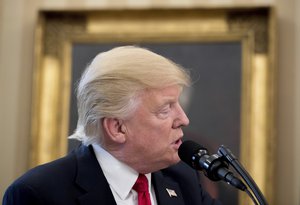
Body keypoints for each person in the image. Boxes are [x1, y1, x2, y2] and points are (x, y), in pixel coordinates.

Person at [3, 46, 222, 205]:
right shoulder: (38, 193)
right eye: (165, 109)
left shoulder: (183, 180)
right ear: (116, 128)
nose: (184, 119)